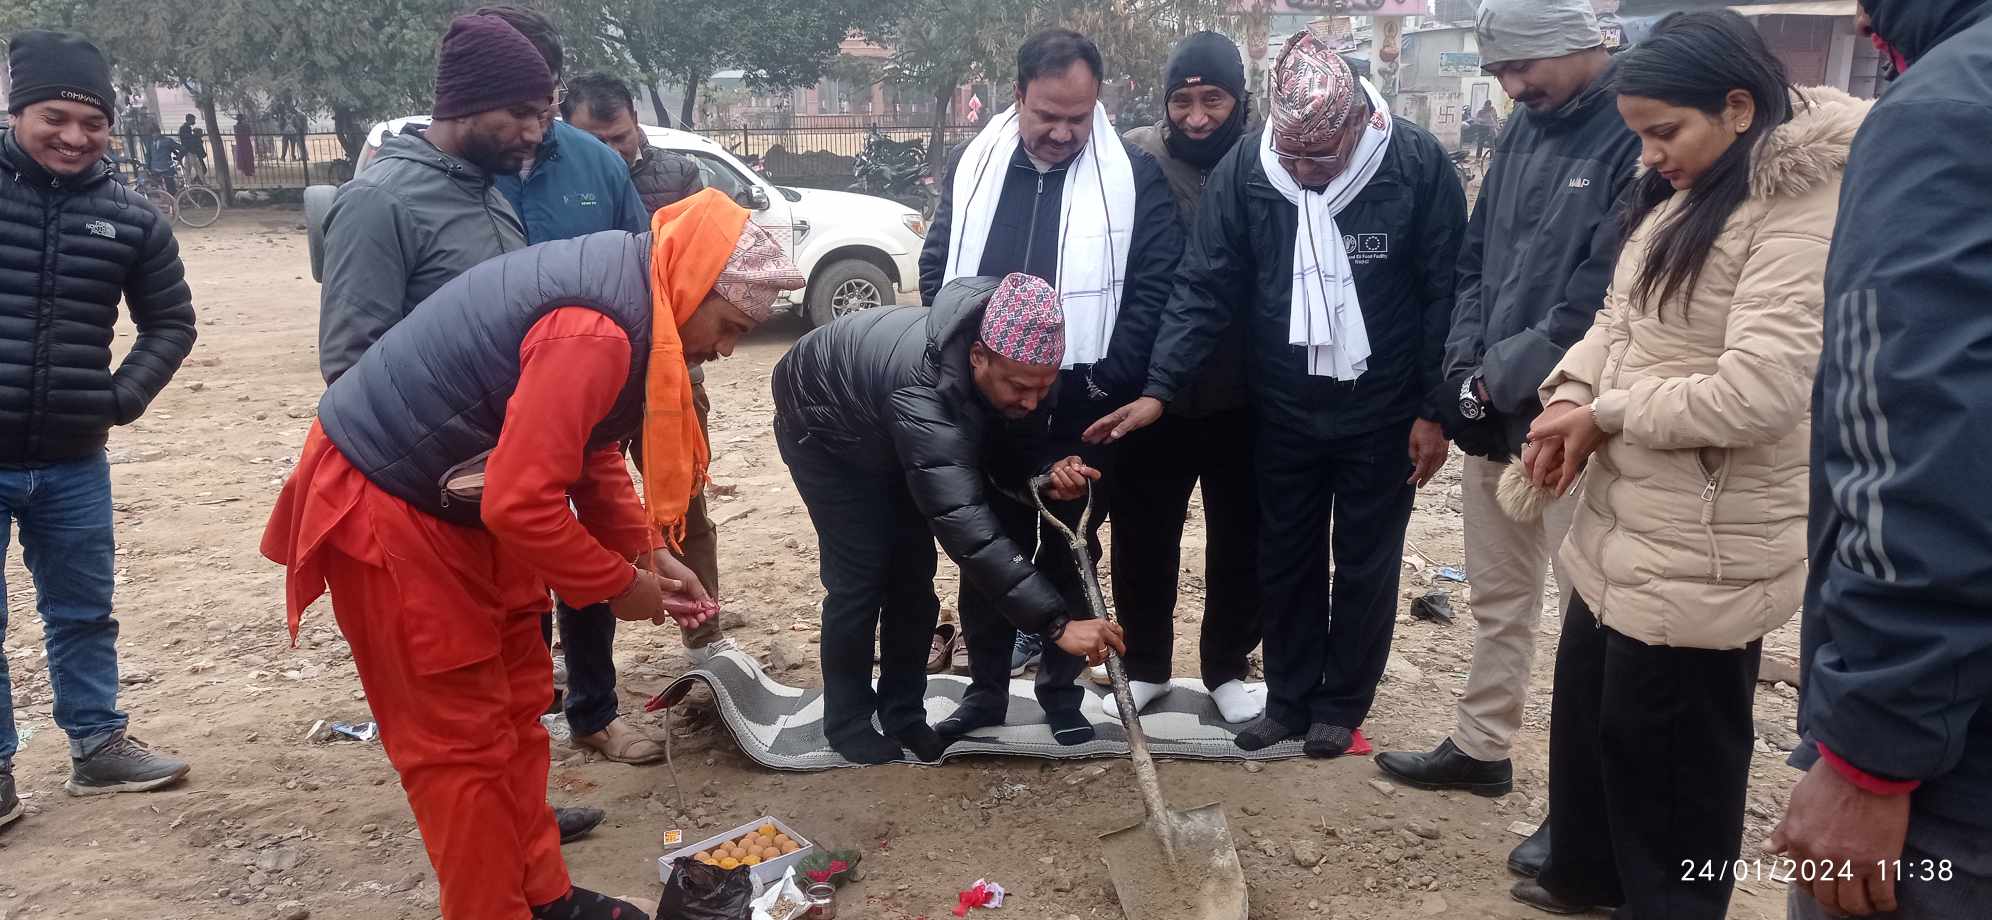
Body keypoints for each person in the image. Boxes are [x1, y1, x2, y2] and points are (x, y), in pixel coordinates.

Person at [262, 190, 798, 920]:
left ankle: (543, 897)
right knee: (460, 745)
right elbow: (519, 504)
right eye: (730, 326)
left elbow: (590, 447)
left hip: (467, 499)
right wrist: (620, 587)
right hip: (392, 504)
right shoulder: (598, 330)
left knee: (517, 709)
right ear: (694, 285)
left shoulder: (642, 306)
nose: (728, 348)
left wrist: (643, 549)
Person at [1512, 12, 1867, 916]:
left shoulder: (1799, 209)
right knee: (1598, 723)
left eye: (1664, 132)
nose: (1651, 154)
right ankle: (1590, 878)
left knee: (1672, 768)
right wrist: (1568, 392)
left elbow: (1760, 393)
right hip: (1631, 519)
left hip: (1706, 536)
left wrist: (1606, 413)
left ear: (1738, 108)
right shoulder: (1692, 186)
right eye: (1639, 135)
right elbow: (1620, 319)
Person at [1090, 31, 1464, 758]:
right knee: (1285, 554)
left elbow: (1445, 290)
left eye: (1319, 159)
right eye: (1291, 156)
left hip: (1383, 406)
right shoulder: (1252, 168)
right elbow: (1204, 283)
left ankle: (1341, 701)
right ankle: (1289, 698)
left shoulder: (1415, 164)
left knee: (1365, 560)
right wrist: (1162, 387)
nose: (1302, 173)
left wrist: (1434, 409)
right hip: (1284, 404)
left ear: (1357, 124)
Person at [1375, 0, 1640, 878]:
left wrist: (1503, 374)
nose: (1511, 86)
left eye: (1521, 67)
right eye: (1497, 73)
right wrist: (1465, 369)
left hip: (1572, 414)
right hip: (1492, 406)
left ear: (1573, 44)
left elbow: (1601, 291)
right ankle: (1481, 745)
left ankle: (1588, 808)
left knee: (1591, 616)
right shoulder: (1526, 127)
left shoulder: (1634, 129)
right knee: (1498, 593)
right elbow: (1477, 257)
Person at [1773, 2, 1992, 918]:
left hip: (1954, 760)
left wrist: (1870, 752)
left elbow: (1914, 434)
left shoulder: (1948, 109)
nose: (1862, 18)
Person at [918, 30, 1180, 741]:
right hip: (990, 397)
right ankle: (986, 693)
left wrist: (1107, 379)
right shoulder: (975, 165)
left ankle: (1060, 692)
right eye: (1047, 116)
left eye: (1079, 117)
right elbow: (939, 266)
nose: (1063, 133)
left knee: (1072, 548)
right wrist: (964, 363)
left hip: (1082, 403)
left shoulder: (1132, 176)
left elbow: (1153, 285)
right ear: (1017, 97)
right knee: (991, 549)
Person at [773, 272, 1126, 764]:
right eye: (1020, 388)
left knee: (914, 580)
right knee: (861, 578)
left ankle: (903, 716)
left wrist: (1043, 477)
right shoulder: (923, 393)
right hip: (825, 432)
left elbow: (1002, 457)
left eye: (1043, 389)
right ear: (978, 356)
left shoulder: (1011, 361)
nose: (1031, 402)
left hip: (890, 428)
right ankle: (848, 721)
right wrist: (1056, 624)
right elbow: (963, 522)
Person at [0, 29, 198, 834]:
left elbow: (171, 323)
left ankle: (98, 746)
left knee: (83, 611)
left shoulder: (130, 217)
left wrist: (119, 399)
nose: (74, 137)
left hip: (74, 460)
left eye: (93, 123)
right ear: (18, 112)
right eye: (55, 117)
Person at [470, 7, 674, 770]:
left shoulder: (596, 165)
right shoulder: (438, 179)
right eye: (516, 104)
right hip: (478, 423)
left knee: (590, 554)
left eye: (543, 100)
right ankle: (518, 731)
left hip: (581, 411)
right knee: (511, 571)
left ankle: (593, 710)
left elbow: (641, 279)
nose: (531, 123)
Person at [1105, 31, 1264, 723]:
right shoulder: (1132, 158)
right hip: (1152, 392)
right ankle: (1144, 665)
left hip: (1246, 391)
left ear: (1240, 100)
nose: (1197, 118)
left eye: (1213, 100)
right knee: (1143, 534)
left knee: (1242, 537)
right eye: (1183, 101)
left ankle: (1228, 668)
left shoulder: (1269, 158)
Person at [316, 12, 548, 385]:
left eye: (539, 116)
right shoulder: (377, 202)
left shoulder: (491, 197)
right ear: (465, 106)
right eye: (520, 113)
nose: (534, 133)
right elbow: (351, 371)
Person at [479, 6, 648, 245]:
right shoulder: (448, 175)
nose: (540, 106)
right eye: (521, 97)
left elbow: (641, 258)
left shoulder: (603, 165)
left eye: (548, 89)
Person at [562, 71, 703, 214]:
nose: (614, 154)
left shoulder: (681, 176)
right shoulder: (555, 178)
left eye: (620, 138)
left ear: (635, 121)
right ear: (567, 131)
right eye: (597, 143)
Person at [177, 113, 206, 181]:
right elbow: (188, 141)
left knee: (195, 169)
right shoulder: (184, 128)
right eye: (193, 119)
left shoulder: (187, 128)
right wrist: (195, 136)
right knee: (198, 169)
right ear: (189, 119)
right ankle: (195, 182)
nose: (194, 121)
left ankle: (194, 182)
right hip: (190, 151)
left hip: (190, 151)